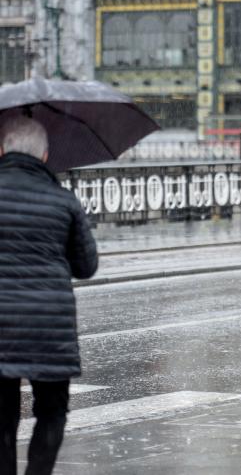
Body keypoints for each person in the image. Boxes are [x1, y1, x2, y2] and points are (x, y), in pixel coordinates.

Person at [0, 117, 98, 475]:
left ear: (1, 150)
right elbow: (86, 266)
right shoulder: (63, 200)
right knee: (52, 411)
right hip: (49, 327)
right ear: (44, 154)